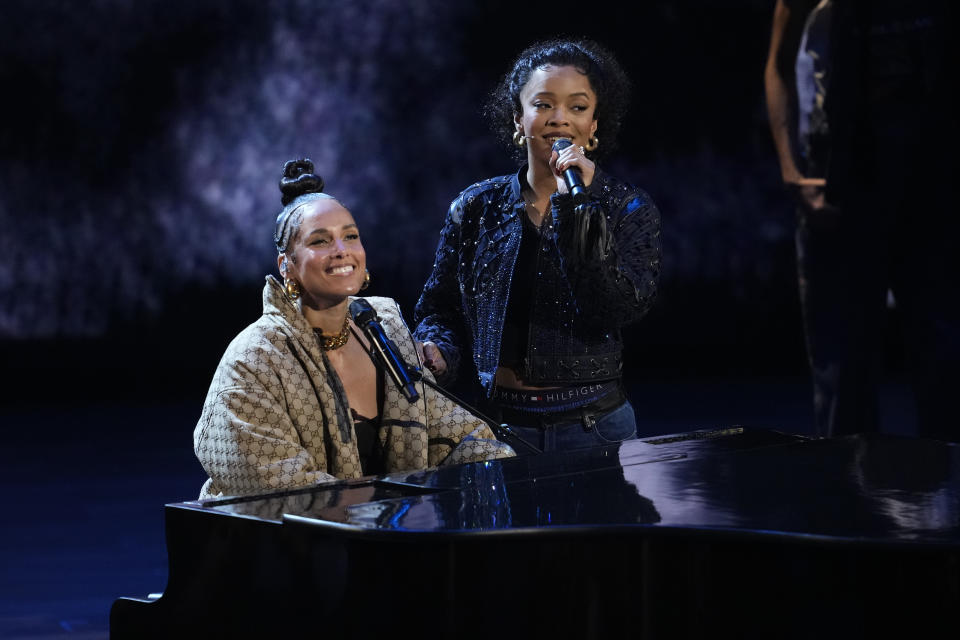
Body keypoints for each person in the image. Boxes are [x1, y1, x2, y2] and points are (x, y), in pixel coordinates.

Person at [194, 159, 514, 499]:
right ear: (287, 266)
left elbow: (454, 432)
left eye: (350, 236)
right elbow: (276, 483)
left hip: (389, 536)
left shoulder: (384, 328)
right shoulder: (254, 360)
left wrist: (496, 472)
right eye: (320, 241)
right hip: (289, 544)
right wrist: (390, 510)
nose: (342, 251)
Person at [413, 39, 661, 453]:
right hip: (497, 428)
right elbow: (440, 308)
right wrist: (439, 351)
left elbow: (616, 307)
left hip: (594, 428)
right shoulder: (477, 206)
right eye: (543, 105)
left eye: (577, 108)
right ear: (519, 118)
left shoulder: (626, 207)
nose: (559, 119)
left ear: (594, 124)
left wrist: (575, 209)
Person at [764, 0, 959, 440]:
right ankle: (848, 503)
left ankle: (950, 500)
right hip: (840, 175)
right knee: (844, 372)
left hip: (931, 174)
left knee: (944, 360)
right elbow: (778, 63)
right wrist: (794, 174)